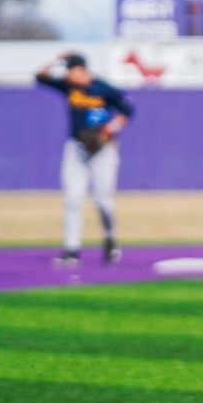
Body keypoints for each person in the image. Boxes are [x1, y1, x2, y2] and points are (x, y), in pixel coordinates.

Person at [35, 53, 133, 266]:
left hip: (103, 150)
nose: (67, 75)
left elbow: (128, 109)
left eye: (70, 70)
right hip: (76, 147)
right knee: (73, 199)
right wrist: (57, 59)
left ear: (81, 70)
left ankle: (110, 240)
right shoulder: (69, 87)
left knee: (103, 201)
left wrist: (110, 129)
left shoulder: (103, 88)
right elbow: (39, 77)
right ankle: (71, 251)